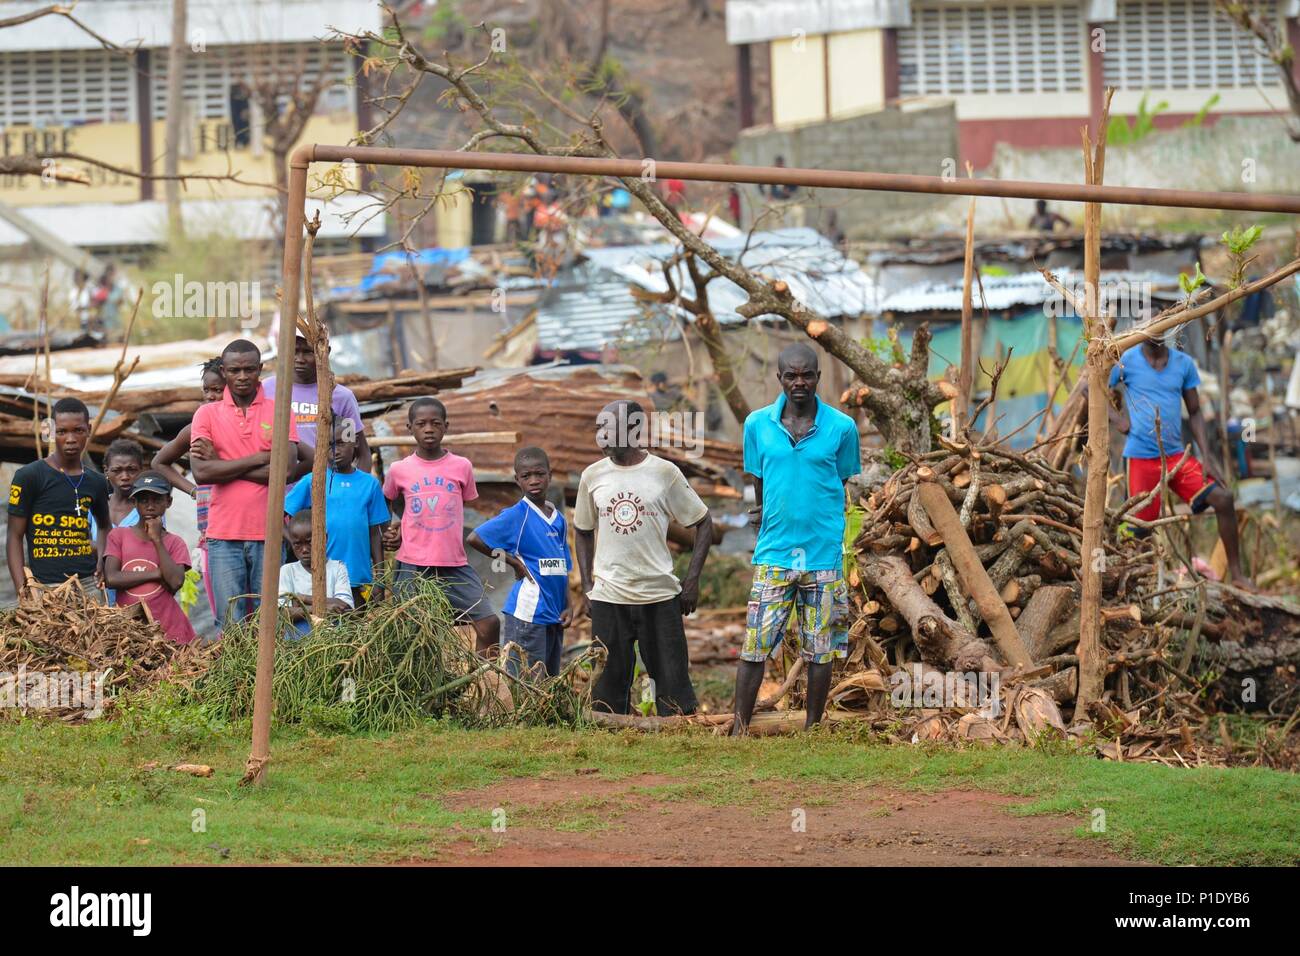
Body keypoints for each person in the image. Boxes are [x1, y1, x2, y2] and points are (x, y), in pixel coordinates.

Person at [731, 343, 861, 734]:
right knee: (755, 645)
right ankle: (738, 728)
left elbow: (838, 482)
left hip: (822, 556)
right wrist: (767, 519)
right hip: (774, 554)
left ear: (818, 378)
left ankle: (813, 728)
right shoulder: (757, 425)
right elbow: (759, 479)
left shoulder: (841, 427)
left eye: (807, 375)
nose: (799, 382)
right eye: (791, 375)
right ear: (780, 379)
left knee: (821, 649)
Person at [574, 400, 714, 716]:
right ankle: (613, 741)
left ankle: (677, 741)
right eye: (599, 428)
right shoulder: (592, 476)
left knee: (673, 684)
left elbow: (703, 523)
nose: (601, 435)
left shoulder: (664, 473)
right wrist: (586, 585)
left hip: (660, 596)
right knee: (607, 687)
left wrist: (691, 581)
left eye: (607, 428)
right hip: (610, 597)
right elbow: (582, 530)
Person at [1106, 326, 1253, 589]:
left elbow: (1195, 412)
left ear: (1172, 327)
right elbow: (1089, 386)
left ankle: (1238, 575)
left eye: (1163, 324)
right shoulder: (1125, 360)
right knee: (1140, 528)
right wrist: (1118, 419)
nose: (1156, 330)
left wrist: (1207, 457)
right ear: (1141, 330)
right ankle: (1143, 588)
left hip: (1176, 457)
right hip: (1140, 457)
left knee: (1224, 498)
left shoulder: (1184, 364)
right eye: (1150, 324)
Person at [189, 339, 302, 632]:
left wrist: (224, 466)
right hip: (223, 534)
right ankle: (237, 679)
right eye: (235, 370)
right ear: (224, 371)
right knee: (230, 622)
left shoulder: (280, 410)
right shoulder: (206, 414)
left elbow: (286, 470)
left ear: (260, 370)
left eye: (249, 369)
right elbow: (201, 472)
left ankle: (271, 679)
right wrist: (259, 458)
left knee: (270, 621)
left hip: (269, 533)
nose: (242, 377)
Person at [381, 397, 500, 653]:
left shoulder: (461, 466)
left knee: (489, 623)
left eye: (435, 423)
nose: (428, 429)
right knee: (412, 635)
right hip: (413, 565)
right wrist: (391, 530)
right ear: (409, 428)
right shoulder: (399, 470)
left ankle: (485, 684)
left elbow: (463, 503)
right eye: (421, 424)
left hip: (453, 563)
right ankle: (419, 688)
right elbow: (387, 501)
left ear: (446, 426)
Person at [468, 447, 574, 678]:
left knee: (548, 679)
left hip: (554, 612)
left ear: (550, 475)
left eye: (539, 474)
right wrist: (514, 563)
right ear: (517, 480)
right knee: (524, 682)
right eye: (526, 476)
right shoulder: (517, 515)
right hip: (528, 613)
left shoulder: (559, 520)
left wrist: (568, 604)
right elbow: (475, 538)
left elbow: (563, 566)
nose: (534, 481)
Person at [7, 397, 111, 598]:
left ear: (88, 430)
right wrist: (23, 589)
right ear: (52, 432)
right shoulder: (29, 476)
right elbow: (14, 536)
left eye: (78, 430)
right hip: (44, 587)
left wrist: (103, 560)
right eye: (62, 431)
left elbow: (105, 525)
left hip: (88, 584)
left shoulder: (96, 481)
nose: (70, 439)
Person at [284, 419, 388, 606]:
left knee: (355, 625)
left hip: (358, 575)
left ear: (355, 442)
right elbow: (281, 515)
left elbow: (375, 534)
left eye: (340, 443)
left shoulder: (369, 484)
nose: (334, 451)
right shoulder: (313, 480)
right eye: (328, 445)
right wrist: (295, 541)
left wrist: (379, 580)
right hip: (322, 575)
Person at [152, 358, 226, 618]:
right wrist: (193, 490)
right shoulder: (197, 427)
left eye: (218, 389)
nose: (211, 396)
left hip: (245, 526)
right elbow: (159, 462)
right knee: (223, 609)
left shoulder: (244, 426)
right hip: (212, 532)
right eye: (207, 390)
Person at [103, 472, 196, 644]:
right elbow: (111, 578)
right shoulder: (119, 535)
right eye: (144, 500)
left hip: (170, 631)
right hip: (128, 632)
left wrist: (157, 539)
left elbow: (175, 582)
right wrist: (156, 574)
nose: (150, 506)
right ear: (134, 502)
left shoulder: (175, 542)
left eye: (157, 500)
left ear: (168, 502)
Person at [263, 333, 371, 471]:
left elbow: (362, 453)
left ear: (325, 351)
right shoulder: (267, 389)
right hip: (281, 490)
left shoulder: (341, 397)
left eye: (308, 352)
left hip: (327, 489)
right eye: (294, 351)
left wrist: (356, 489)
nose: (299, 359)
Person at [279, 509, 353, 637]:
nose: (304, 550)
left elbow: (344, 606)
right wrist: (319, 608)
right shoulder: (287, 571)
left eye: (310, 542)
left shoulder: (338, 568)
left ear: (324, 538)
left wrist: (301, 598)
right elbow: (283, 613)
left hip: (331, 636)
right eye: (297, 544)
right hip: (297, 639)